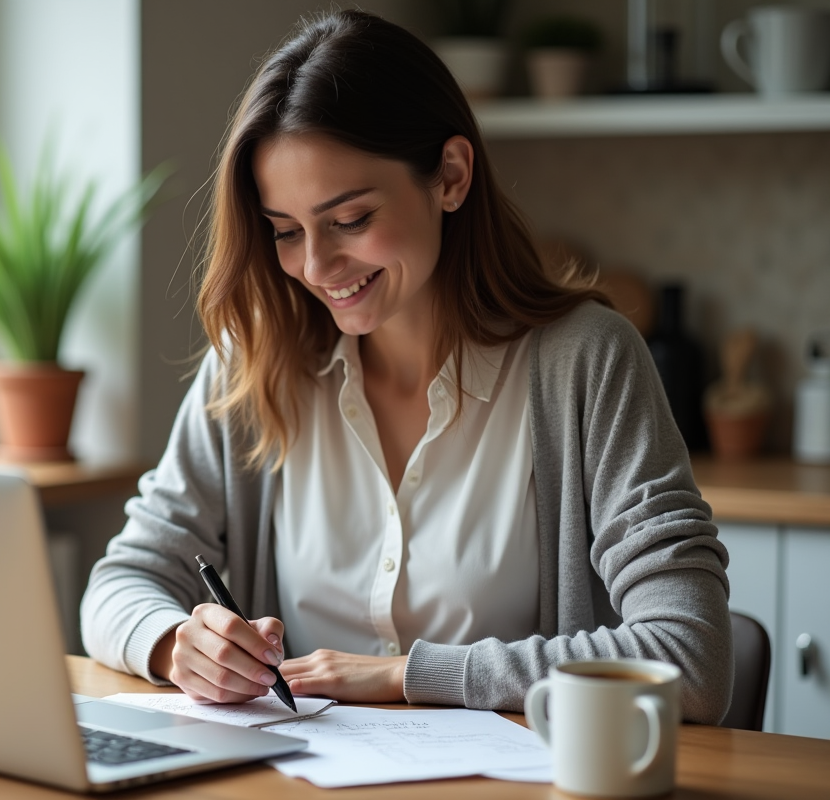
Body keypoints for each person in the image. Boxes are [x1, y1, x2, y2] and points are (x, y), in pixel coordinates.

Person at [80, 9, 732, 724]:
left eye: (350, 220)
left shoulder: (586, 362)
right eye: (286, 233)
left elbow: (689, 659)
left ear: (450, 176)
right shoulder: (256, 363)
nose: (318, 267)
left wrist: (403, 676)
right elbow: (123, 580)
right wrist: (177, 643)